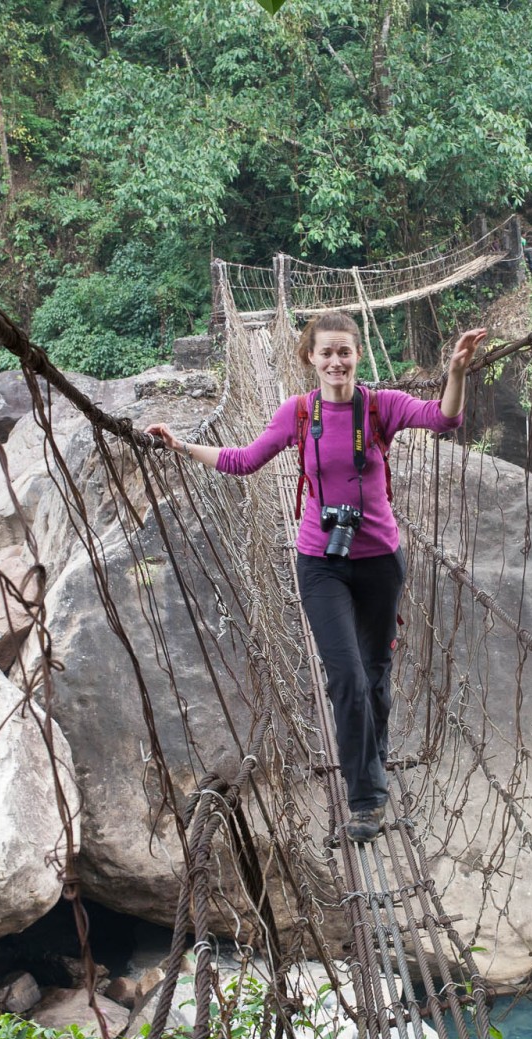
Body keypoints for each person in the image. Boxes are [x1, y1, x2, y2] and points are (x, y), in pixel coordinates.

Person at [146, 312, 487, 844]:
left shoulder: (380, 406)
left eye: (344, 352)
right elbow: (243, 460)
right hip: (320, 562)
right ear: (309, 358)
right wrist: (180, 446)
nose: (336, 361)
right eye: (326, 352)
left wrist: (457, 374)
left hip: (378, 561)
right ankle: (366, 801)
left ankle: (370, 763)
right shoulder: (298, 414)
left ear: (357, 355)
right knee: (346, 677)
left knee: (375, 676)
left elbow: (443, 421)